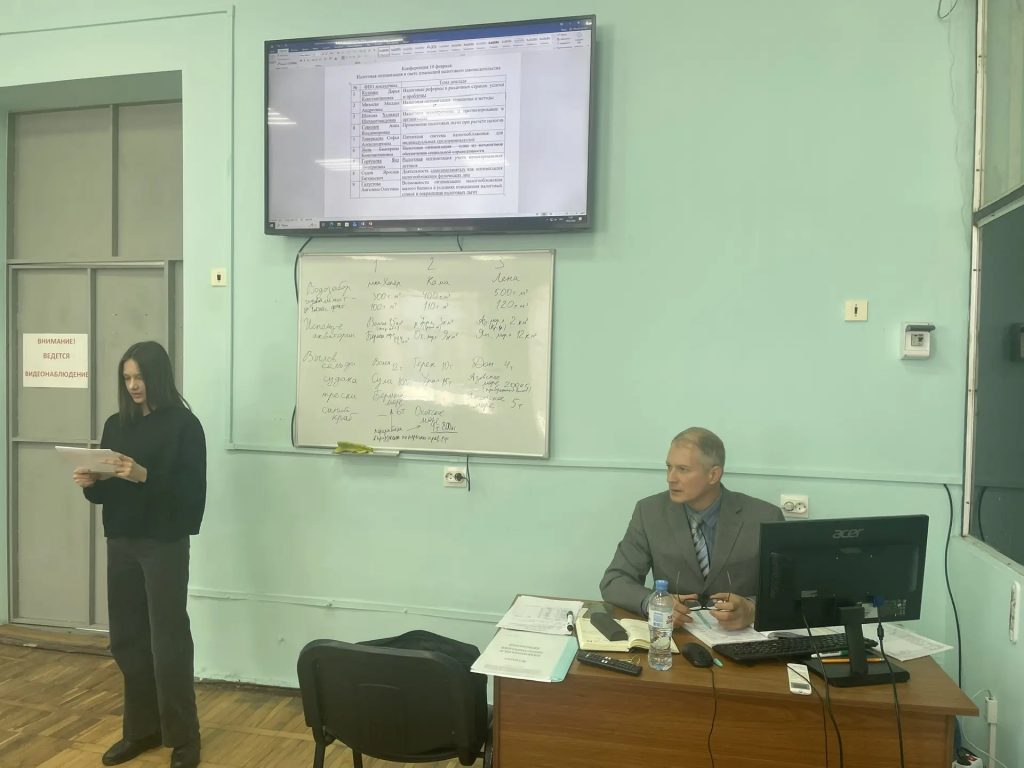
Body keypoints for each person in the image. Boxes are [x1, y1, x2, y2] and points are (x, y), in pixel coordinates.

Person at [71, 341, 206, 768]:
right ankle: (141, 730)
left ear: (158, 377)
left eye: (140, 377)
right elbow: (107, 496)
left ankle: (184, 738)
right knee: (128, 640)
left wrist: (146, 475)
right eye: (127, 378)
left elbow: (192, 498)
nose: (133, 385)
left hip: (164, 544)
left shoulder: (185, 426)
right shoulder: (116, 425)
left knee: (168, 642)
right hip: (122, 541)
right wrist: (93, 484)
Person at [600, 427, 783, 630]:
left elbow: (787, 591)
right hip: (675, 635)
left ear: (713, 475)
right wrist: (653, 602)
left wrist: (752, 608)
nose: (671, 478)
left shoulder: (764, 517)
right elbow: (615, 581)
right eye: (669, 467)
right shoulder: (649, 512)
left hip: (740, 637)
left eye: (682, 469)